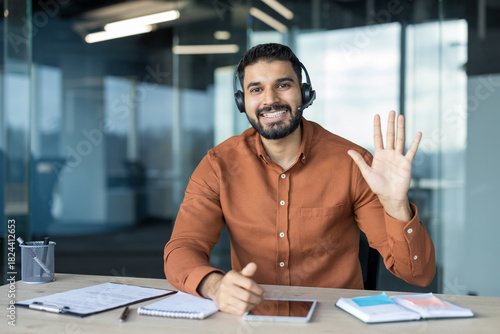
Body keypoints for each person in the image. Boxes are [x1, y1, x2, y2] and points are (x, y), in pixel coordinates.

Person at [164, 43, 435, 316]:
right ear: (241, 101)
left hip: (335, 323)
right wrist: (214, 286)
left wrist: (395, 204)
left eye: (283, 85)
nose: (270, 100)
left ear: (304, 93)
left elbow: (418, 275)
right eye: (256, 89)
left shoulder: (352, 164)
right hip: (254, 320)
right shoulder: (219, 165)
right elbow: (182, 249)